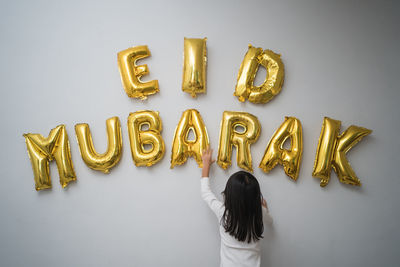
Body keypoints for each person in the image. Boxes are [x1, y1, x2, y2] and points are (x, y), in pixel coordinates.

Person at [201, 147, 273, 267]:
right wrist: (265, 209)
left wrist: (206, 165)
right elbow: (270, 222)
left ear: (229, 194)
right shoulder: (259, 212)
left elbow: (206, 193)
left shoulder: (223, 212)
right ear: (255, 197)